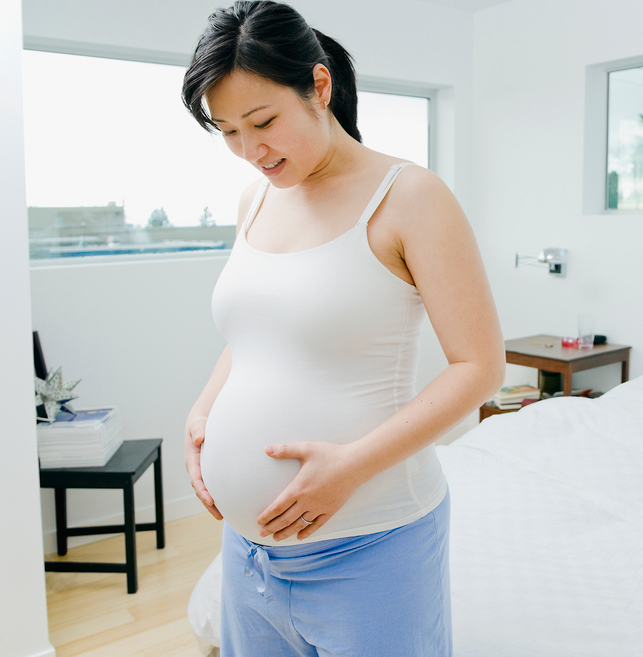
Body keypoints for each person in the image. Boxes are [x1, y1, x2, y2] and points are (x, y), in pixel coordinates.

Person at [181, 2, 504, 655]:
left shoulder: (410, 197)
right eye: (227, 130)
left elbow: (480, 367)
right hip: (248, 555)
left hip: (371, 541)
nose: (250, 151)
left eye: (264, 121)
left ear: (319, 87)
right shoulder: (256, 199)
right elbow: (254, 331)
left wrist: (349, 468)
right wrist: (205, 411)